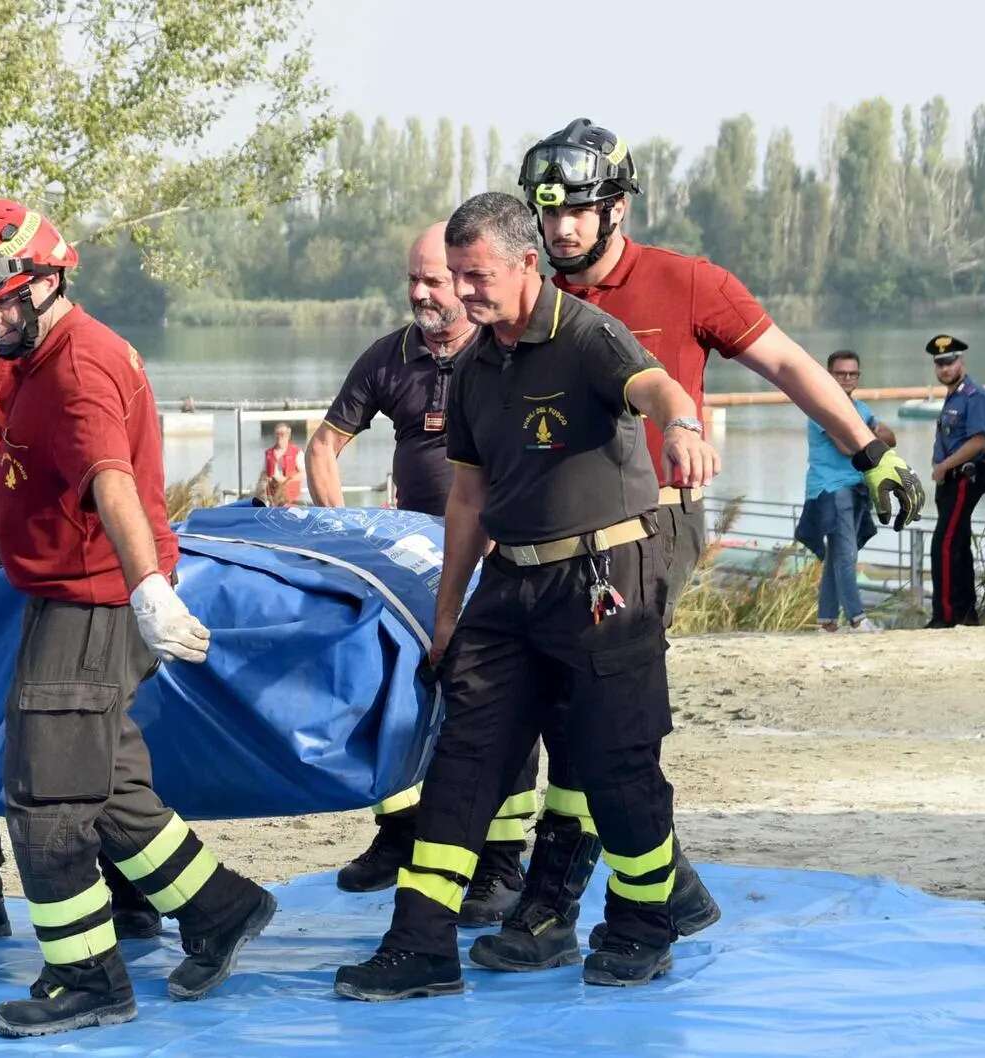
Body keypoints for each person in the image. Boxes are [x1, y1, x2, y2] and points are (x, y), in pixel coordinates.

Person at [468, 118, 928, 975]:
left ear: (618, 209)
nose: (563, 228)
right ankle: (650, 886)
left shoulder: (687, 283)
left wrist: (870, 450)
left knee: (589, 721)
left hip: (649, 531)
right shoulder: (528, 299)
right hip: (543, 543)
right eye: (549, 212)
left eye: (581, 210)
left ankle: (567, 904)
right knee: (555, 714)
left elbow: (789, 365)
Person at [335, 192, 720, 1001]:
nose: (464, 292)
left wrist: (683, 426)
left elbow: (655, 389)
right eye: (457, 277)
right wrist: (447, 620)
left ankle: (644, 926)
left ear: (525, 266)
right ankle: (420, 946)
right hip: (508, 587)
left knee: (616, 767)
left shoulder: (586, 335)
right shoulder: (475, 367)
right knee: (464, 760)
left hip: (604, 581)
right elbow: (466, 502)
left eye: (478, 277)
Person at [0, 199, 276, 1037]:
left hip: (90, 602)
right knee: (110, 783)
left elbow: (112, 481)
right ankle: (221, 906)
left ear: (48, 284)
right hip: (70, 595)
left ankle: (87, 977)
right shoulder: (42, 354)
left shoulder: (77, 370)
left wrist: (148, 589)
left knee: (44, 795)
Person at [0, 204, 163, 943]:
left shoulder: (66, 359)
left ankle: (133, 902)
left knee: (76, 744)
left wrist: (145, 582)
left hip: (72, 550)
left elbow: (110, 472)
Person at [305, 222, 541, 927]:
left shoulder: (506, 355)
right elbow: (323, 449)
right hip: (412, 566)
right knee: (397, 694)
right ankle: (398, 832)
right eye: (413, 279)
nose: (420, 293)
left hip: (496, 560)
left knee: (499, 708)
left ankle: (501, 864)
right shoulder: (388, 358)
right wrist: (348, 538)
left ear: (470, 280)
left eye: (434, 279)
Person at [798, 351, 895, 632]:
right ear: (829, 375)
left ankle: (826, 619)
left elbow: (890, 436)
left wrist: (867, 436)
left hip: (856, 487)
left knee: (837, 553)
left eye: (853, 373)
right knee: (846, 554)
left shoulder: (861, 408)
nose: (848, 378)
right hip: (831, 488)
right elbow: (846, 447)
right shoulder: (822, 407)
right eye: (841, 373)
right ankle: (857, 618)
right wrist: (871, 437)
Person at [925, 334, 985, 628]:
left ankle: (944, 615)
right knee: (959, 545)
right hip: (949, 481)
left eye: (950, 362)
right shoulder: (954, 396)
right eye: (939, 363)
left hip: (963, 478)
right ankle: (966, 615)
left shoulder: (975, 396)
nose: (944, 368)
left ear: (961, 361)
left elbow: (978, 441)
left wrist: (943, 466)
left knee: (943, 544)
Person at [256, 422, 303, 505]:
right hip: (272, 497)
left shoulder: (297, 452)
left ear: (288, 434)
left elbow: (303, 473)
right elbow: (263, 473)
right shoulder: (269, 453)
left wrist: (286, 481)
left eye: (282, 434)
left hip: (291, 497)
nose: (279, 437)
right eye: (277, 434)